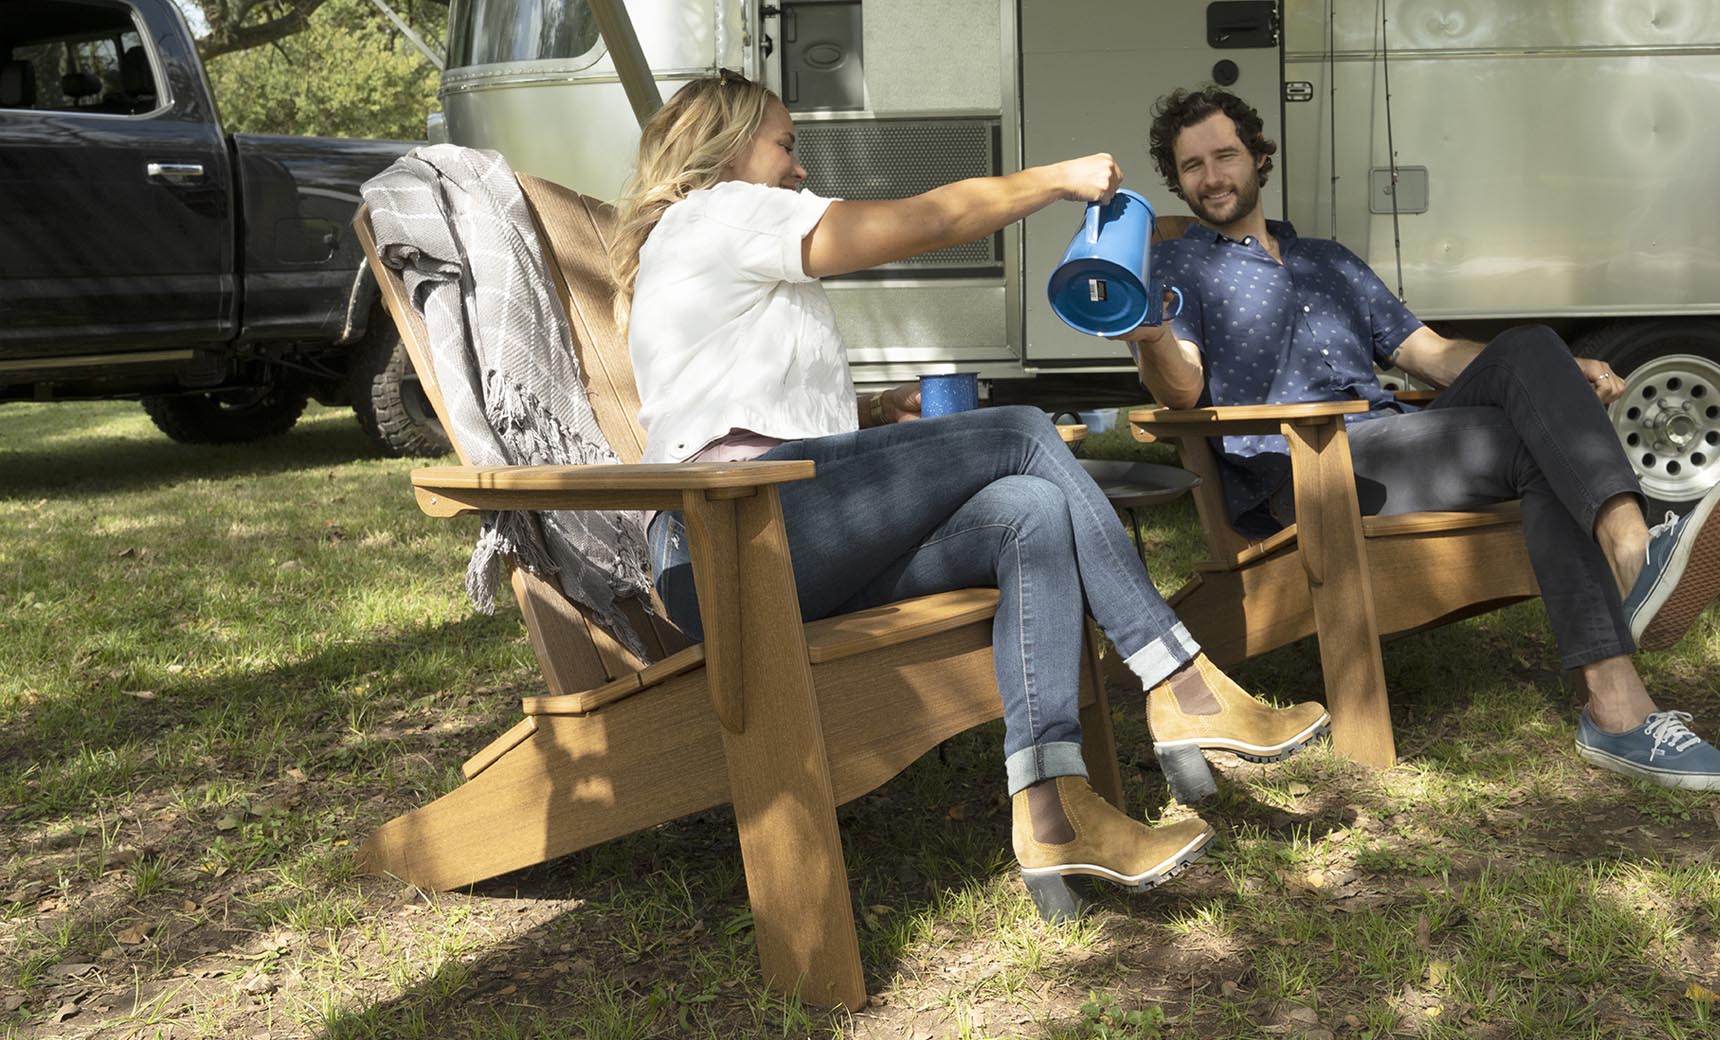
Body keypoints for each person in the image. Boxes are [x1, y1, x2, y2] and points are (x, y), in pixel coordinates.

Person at [608, 70, 1331, 910]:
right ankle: (1180, 682)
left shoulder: (709, 239)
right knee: (1020, 431)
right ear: (726, 146)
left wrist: (878, 409)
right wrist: (1053, 180)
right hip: (727, 541)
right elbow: (924, 222)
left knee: (1026, 514)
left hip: (775, 530)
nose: (799, 168)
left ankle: (1055, 807)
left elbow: (738, 401)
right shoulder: (721, 209)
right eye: (786, 144)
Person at [1119, 86, 1720, 790]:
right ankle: (1624, 651)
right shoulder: (1175, 270)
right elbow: (1181, 389)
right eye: (1192, 166)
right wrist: (1151, 335)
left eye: (1224, 155)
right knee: (1536, 445)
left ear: (1257, 156)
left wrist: (1557, 370)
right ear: (1177, 178)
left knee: (1530, 347)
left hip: (1397, 446)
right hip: (1309, 473)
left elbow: (1427, 352)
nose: (1212, 176)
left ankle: (1629, 571)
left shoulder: (1326, 258)